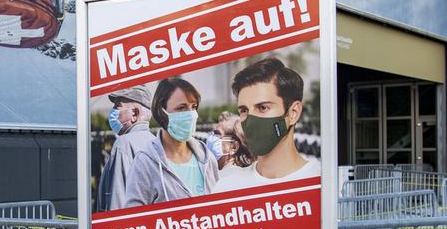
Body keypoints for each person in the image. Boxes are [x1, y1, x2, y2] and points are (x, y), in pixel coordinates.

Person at [214, 58, 321, 193]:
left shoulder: (323, 183)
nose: (251, 120)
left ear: (293, 113)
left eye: (263, 107)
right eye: (244, 110)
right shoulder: (226, 188)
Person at [122, 78, 219, 207]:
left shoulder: (207, 158)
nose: (190, 114)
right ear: (162, 112)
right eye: (181, 108)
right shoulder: (145, 163)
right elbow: (134, 220)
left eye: (193, 107)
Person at [96, 84, 155, 211]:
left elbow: (118, 201)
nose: (112, 112)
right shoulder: (155, 142)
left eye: (118, 106)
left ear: (135, 113)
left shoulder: (124, 144)